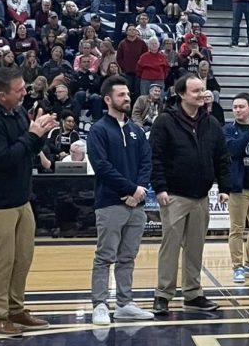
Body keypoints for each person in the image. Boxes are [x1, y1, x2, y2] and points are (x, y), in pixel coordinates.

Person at [0, 66, 59, 337]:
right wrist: (32, 135)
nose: (24, 92)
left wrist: (38, 135)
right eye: (18, 90)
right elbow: (4, 158)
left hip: (21, 199)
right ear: (0, 94)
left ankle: (16, 307)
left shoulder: (17, 111)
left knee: (22, 258)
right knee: (1, 262)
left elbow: (27, 149)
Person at [149, 72, 230, 314]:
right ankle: (163, 294)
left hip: (201, 196)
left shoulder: (211, 122)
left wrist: (224, 187)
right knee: (170, 247)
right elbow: (156, 158)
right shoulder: (164, 122)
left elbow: (222, 157)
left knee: (196, 247)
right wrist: (160, 188)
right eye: (195, 91)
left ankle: (193, 294)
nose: (202, 94)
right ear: (181, 94)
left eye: (203, 90)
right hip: (174, 195)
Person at [86, 76, 155, 325]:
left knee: (128, 256)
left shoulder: (137, 130)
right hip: (110, 203)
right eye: (121, 95)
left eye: (128, 94)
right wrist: (129, 189)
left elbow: (147, 162)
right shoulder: (98, 130)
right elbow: (102, 166)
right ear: (108, 99)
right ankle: (100, 304)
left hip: (137, 204)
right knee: (105, 256)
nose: (127, 98)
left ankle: (125, 303)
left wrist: (139, 190)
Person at [224, 93, 249, 284]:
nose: (238, 110)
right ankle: (237, 266)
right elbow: (234, 150)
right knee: (237, 229)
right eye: (235, 107)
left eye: (241, 106)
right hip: (238, 188)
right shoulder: (228, 130)